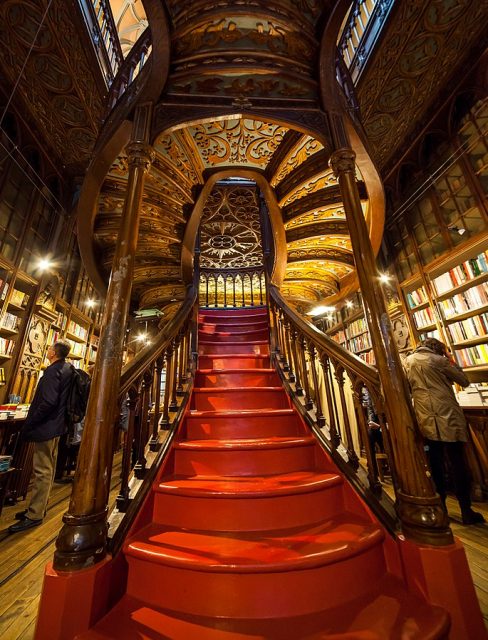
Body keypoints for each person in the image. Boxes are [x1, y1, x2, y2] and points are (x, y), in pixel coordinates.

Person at [404, 337, 485, 525]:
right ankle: (466, 509)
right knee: (458, 463)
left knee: (435, 463)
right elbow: (464, 381)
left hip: (425, 417)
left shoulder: (407, 362)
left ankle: (440, 507)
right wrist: (450, 357)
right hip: (447, 414)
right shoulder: (440, 360)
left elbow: (407, 389)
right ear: (438, 349)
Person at [9, 339, 73, 533]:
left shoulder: (53, 372)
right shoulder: (67, 369)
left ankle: (34, 514)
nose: (48, 350)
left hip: (46, 426)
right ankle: (39, 507)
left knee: (42, 470)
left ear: (54, 353)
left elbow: (48, 402)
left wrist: (31, 421)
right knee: (48, 468)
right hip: (57, 426)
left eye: (49, 348)